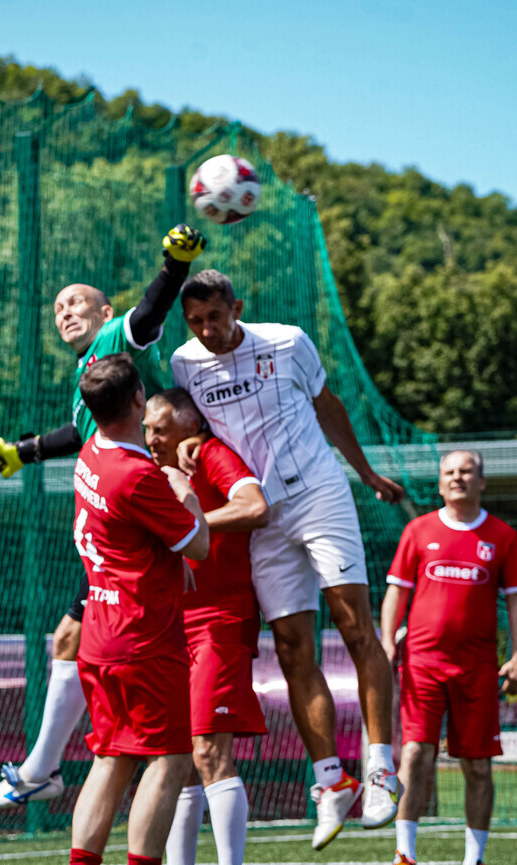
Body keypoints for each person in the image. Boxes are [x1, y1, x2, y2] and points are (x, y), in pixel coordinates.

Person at [170, 270, 404, 849]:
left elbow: (329, 408)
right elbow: (192, 425)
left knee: (355, 627)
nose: (206, 330)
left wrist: (366, 473)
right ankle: (332, 781)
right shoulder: (183, 363)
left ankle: (381, 770)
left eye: (214, 317)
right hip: (261, 516)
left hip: (319, 494)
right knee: (293, 647)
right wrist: (190, 441)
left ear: (236, 308)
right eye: (195, 321)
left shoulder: (287, 341)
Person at [0, 225, 207, 808]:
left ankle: (47, 771)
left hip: (152, 517)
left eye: (75, 301)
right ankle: (47, 770)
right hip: (126, 526)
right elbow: (79, 435)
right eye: (57, 308)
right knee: (67, 639)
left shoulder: (115, 340)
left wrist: (173, 266)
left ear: (105, 311)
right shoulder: (91, 380)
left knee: (100, 662)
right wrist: (25, 451)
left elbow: (149, 312)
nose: (64, 312)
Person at [67, 355, 210, 865]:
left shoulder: (91, 452)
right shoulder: (138, 476)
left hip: (99, 635)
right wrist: (185, 491)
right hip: (143, 639)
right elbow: (199, 544)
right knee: (169, 759)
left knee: (111, 758)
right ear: (137, 400)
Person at [380, 449, 517, 865]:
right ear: (440, 483)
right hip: (422, 664)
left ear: (482, 482)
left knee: (477, 765)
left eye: (466, 471)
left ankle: (474, 858)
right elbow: (397, 591)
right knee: (415, 753)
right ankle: (405, 853)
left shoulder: (502, 536)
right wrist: (388, 641)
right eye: (449, 472)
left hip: (478, 668)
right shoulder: (418, 530)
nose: (457, 477)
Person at [144, 388, 269, 865]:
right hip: (169, 626)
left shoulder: (211, 454)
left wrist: (191, 528)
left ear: (190, 426)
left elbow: (255, 507)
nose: (151, 439)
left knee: (208, 751)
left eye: (160, 429)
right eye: (147, 429)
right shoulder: (147, 469)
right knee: (177, 756)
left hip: (219, 620)